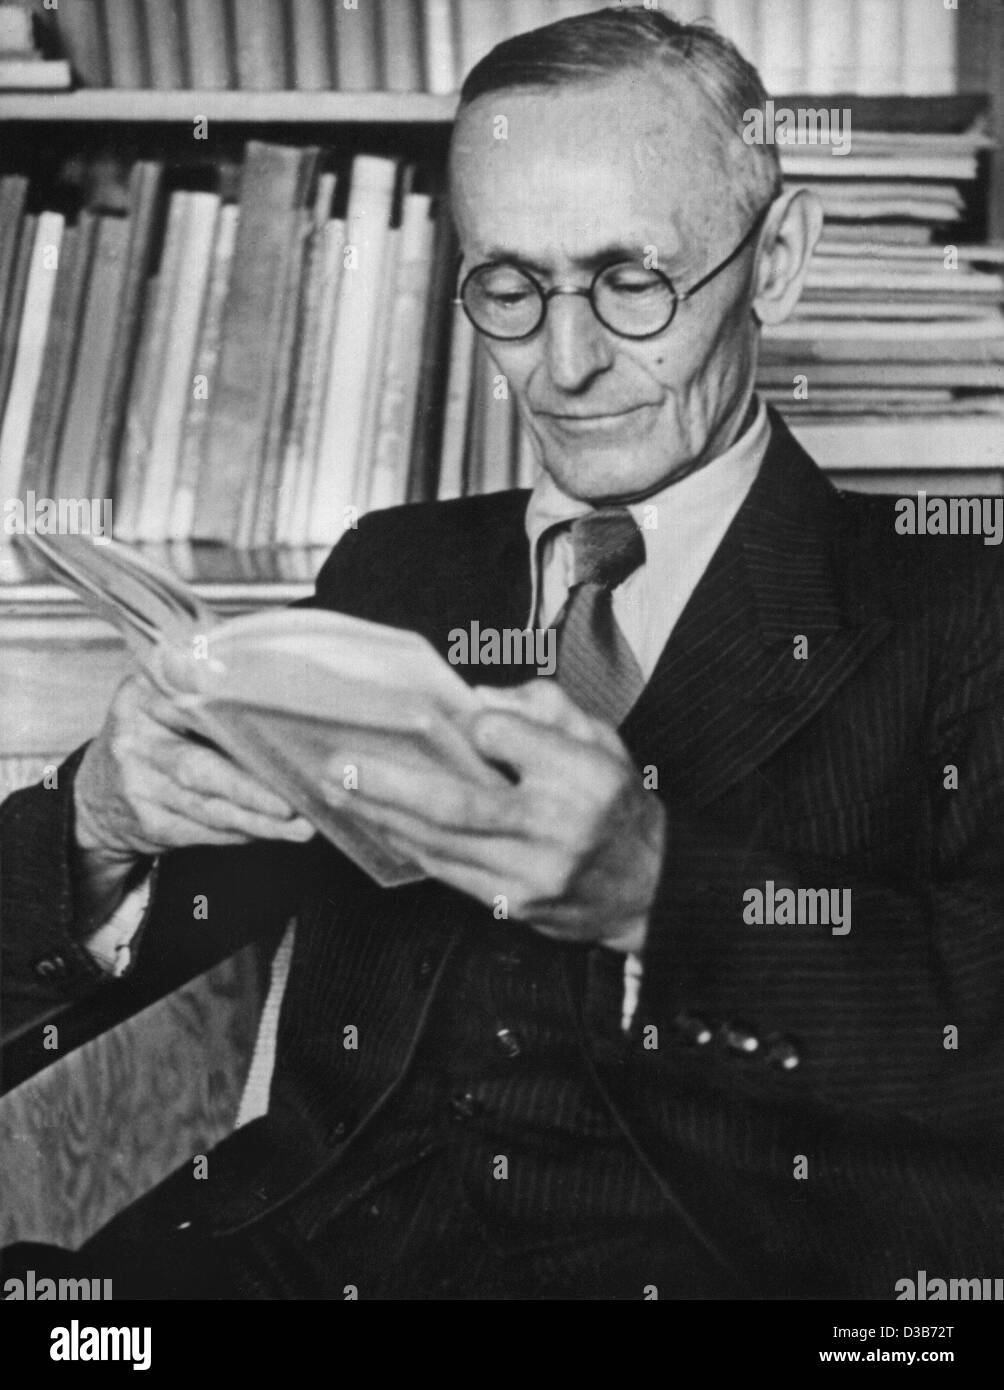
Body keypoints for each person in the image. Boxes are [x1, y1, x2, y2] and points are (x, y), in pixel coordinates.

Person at [2, 7, 1002, 1301]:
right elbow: (183, 926)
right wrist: (101, 817)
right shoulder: (396, 571)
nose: (568, 365)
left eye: (632, 281)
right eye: (510, 289)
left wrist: (661, 895)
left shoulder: (957, 608)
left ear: (780, 259)